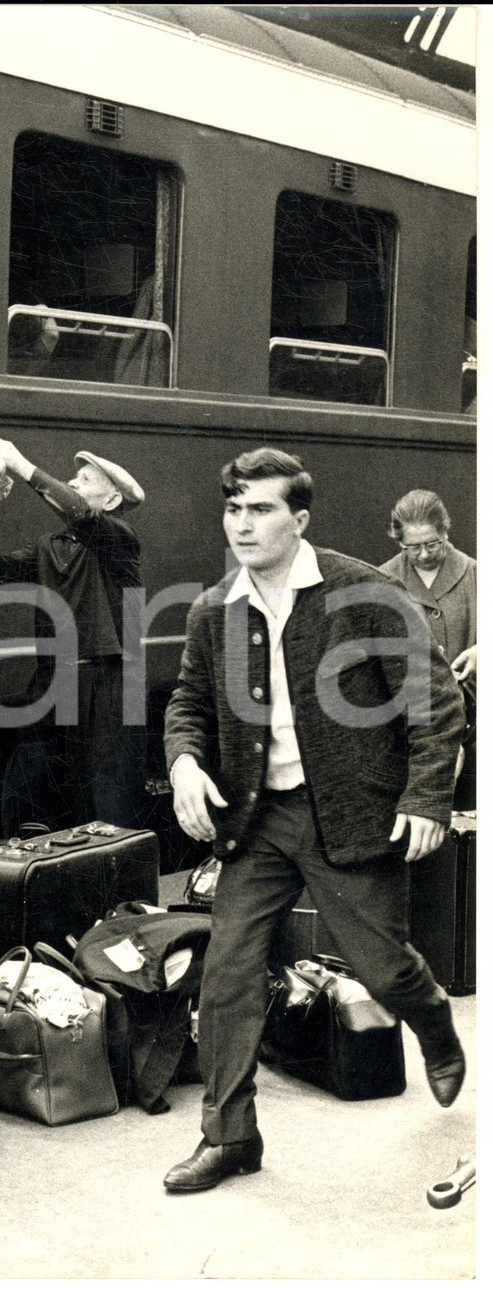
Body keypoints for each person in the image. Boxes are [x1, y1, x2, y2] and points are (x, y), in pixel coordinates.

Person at [162, 447, 466, 1195]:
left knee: (382, 966)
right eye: (233, 508)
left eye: (260, 508)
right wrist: (184, 764)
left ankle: (429, 1018)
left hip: (351, 815)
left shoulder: (364, 592)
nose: (242, 523)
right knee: (228, 973)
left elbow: (435, 702)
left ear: (298, 519)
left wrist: (425, 798)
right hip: (257, 820)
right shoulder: (214, 610)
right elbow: (188, 706)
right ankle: (229, 1136)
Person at [0, 438, 147, 834]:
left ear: (110, 502)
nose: (72, 483)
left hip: (105, 684)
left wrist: (21, 464)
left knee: (106, 805)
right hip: (50, 682)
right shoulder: (50, 546)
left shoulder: (120, 539)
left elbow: (84, 519)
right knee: (28, 796)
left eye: (85, 478)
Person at [378, 490, 476, 684]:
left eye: (432, 544)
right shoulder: (382, 580)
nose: (424, 555)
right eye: (413, 547)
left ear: (445, 533)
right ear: (399, 542)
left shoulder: (476, 574)